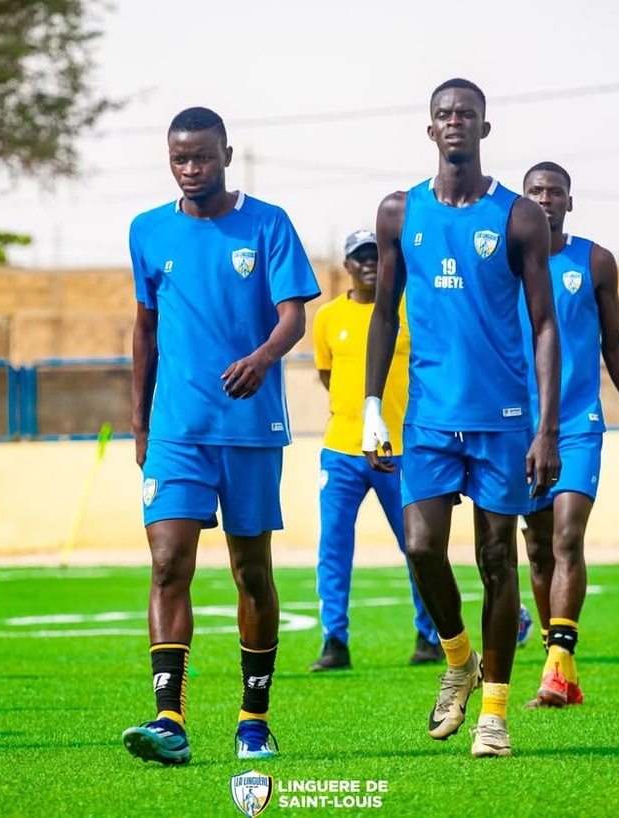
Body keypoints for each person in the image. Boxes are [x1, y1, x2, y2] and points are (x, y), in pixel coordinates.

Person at [362, 78, 562, 758]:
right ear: (429, 130)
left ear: (484, 128)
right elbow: (384, 313)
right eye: (444, 115)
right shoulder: (399, 212)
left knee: (497, 559)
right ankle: (457, 658)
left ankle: (496, 715)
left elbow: (543, 327)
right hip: (427, 420)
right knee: (420, 547)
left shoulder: (517, 217)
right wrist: (370, 407)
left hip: (503, 421)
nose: (454, 124)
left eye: (466, 115)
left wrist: (545, 426)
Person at [121, 106, 320, 765]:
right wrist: (141, 419)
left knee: (249, 570)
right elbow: (145, 330)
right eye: (179, 158)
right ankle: (169, 719)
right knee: (168, 562)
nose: (190, 168)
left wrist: (262, 359)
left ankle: (254, 720)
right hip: (179, 428)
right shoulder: (147, 231)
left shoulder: (268, 224)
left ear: (226, 155)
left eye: (202, 156)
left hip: (250, 428)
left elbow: (294, 317)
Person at [519, 161, 619, 707]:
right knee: (537, 548)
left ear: (569, 202)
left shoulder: (596, 261)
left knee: (566, 538)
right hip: (516, 428)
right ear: (522, 201)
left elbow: (615, 346)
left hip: (580, 424)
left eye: (555, 192)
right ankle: (558, 661)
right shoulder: (502, 266)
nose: (545, 199)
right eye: (535, 191)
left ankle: (558, 665)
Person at [310, 229, 441, 672]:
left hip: (400, 450)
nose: (368, 263)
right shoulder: (327, 317)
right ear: (346, 265)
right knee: (334, 546)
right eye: (359, 257)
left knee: (417, 546)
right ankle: (334, 641)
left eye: (375, 256)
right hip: (341, 451)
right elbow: (328, 377)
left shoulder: (407, 309)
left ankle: (430, 635)